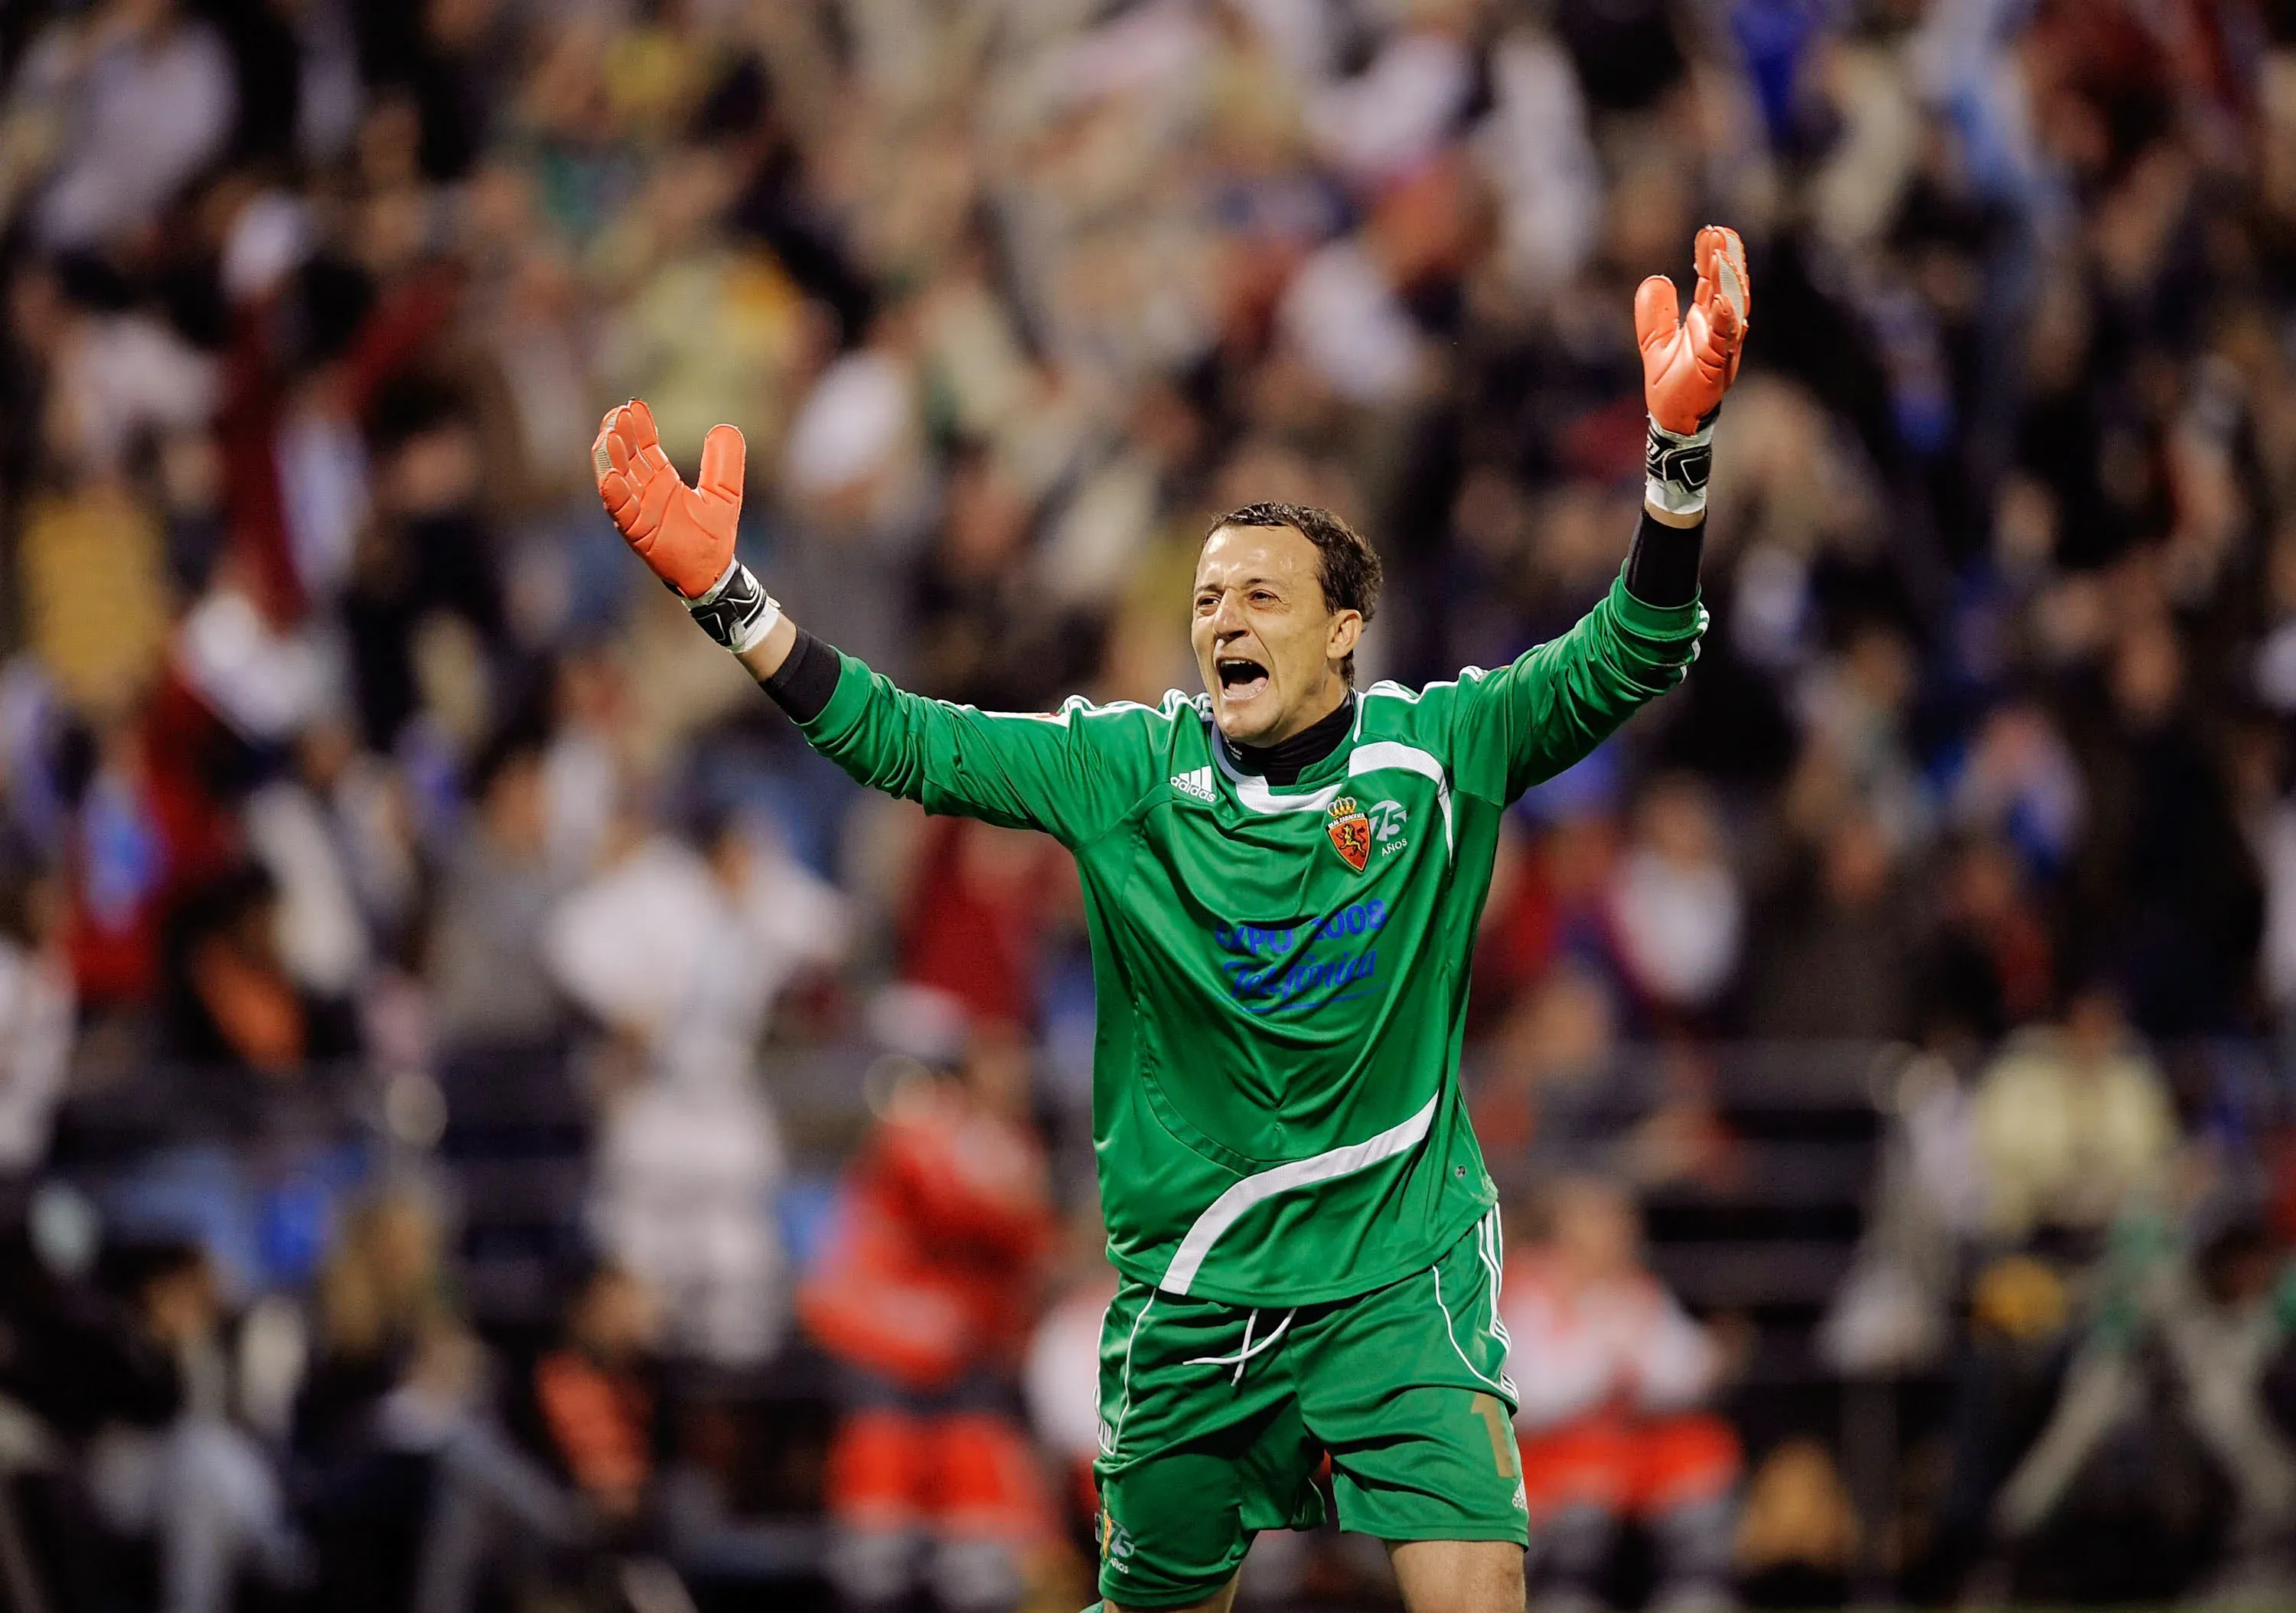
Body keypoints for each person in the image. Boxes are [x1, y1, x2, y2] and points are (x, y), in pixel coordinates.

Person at [592, 227, 1752, 1613]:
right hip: (1193, 1305)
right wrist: (733, 601)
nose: (1224, 620)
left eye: (1263, 593)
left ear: (1345, 631)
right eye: (1207, 599)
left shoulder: (1441, 754)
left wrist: (1676, 464)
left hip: (1398, 1283)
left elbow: (1634, 650)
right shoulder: (1126, 772)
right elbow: (906, 743)